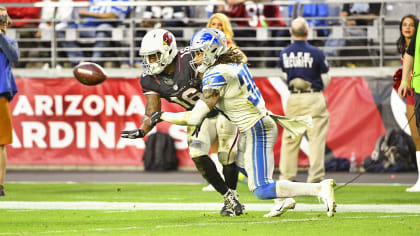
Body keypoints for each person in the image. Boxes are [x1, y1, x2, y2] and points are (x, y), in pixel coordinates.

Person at [154, 27, 336, 217]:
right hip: (253, 126)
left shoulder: (216, 74)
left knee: (261, 189)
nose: (197, 59)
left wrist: (161, 116)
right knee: (237, 162)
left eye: (200, 53)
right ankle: (282, 199)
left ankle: (318, 188)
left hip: (257, 128)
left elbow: (194, 117)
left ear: (212, 51)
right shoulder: (233, 63)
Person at [120, 29, 243, 216]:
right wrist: (142, 130)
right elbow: (152, 111)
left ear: (168, 51)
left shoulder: (190, 60)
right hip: (197, 116)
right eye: (148, 57)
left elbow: (215, 84)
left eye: (154, 56)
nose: (150, 61)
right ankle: (228, 198)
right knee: (197, 155)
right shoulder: (149, 79)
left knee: (227, 155)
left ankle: (233, 195)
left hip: (221, 109)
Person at [278, 17, 330, 184]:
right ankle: (315, 178)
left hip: (294, 98)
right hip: (313, 96)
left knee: (290, 140)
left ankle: (286, 177)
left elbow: (285, 75)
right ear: (307, 32)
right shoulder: (317, 52)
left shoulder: (284, 53)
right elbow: (325, 76)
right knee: (316, 140)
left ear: (291, 32)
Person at [58, 0, 130, 66]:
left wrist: (89, 14)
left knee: (103, 30)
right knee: (63, 30)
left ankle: (95, 64)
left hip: (107, 25)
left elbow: (113, 16)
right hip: (86, 26)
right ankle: (80, 62)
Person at [398, 16, 420, 193]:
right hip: (414, 91)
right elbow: (409, 57)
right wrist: (403, 81)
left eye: (411, 25)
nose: (408, 28)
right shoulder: (404, 48)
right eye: (404, 25)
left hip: (416, 89)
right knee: (417, 136)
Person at [0, 6, 20, 196]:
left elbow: (14, 57)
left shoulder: (9, 42)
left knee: (0, 143)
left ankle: (0, 185)